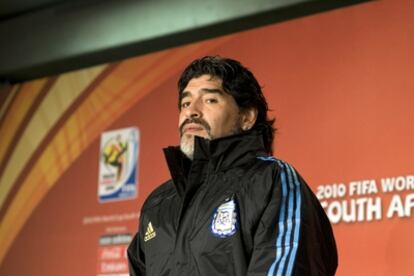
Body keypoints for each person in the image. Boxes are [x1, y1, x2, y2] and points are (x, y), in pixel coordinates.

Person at [127, 56, 338, 275]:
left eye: (210, 100)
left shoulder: (271, 180)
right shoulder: (157, 204)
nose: (191, 112)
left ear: (247, 117)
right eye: (185, 103)